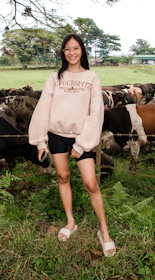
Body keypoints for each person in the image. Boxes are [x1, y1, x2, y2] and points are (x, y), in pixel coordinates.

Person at [28, 33, 116, 257]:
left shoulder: (92, 78)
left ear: (82, 51)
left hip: (81, 138)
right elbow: (43, 109)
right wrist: (40, 140)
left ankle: (104, 232)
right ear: (63, 52)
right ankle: (70, 222)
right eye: (67, 49)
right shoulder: (54, 78)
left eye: (76, 48)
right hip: (56, 135)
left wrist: (82, 143)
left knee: (91, 183)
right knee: (63, 177)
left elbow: (96, 113)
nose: (72, 53)